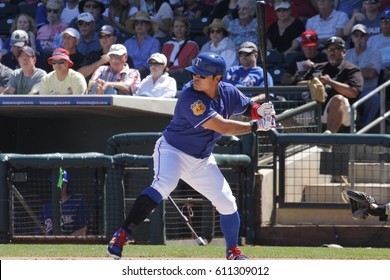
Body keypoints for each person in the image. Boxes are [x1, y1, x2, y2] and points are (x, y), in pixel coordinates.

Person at [106, 52, 276, 260]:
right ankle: (122, 234)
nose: (195, 77)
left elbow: (249, 107)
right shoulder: (190, 96)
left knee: (227, 202)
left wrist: (262, 111)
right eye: (195, 73)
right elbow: (221, 126)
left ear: (217, 78)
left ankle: (232, 250)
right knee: (163, 185)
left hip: (201, 160)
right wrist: (257, 125)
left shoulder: (228, 91)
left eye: (201, 75)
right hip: (173, 151)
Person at [298, 36, 364, 133]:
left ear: (344, 52)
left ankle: (328, 141)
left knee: (338, 99)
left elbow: (353, 92)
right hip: (317, 109)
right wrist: (314, 82)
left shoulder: (352, 69)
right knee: (287, 116)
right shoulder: (318, 67)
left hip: (344, 112)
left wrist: (330, 82)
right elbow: (299, 85)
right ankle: (307, 141)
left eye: (336, 49)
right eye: (329, 49)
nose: (332, 52)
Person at [345, 24, 382, 128]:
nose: (359, 38)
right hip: (349, 89)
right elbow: (340, 73)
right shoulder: (346, 54)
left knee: (375, 98)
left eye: (362, 35)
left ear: (367, 37)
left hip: (366, 90)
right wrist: (363, 71)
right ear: (352, 38)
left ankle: (365, 127)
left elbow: (372, 73)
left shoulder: (375, 53)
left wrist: (350, 72)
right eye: (356, 35)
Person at [38, 169, 89, 236]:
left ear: (67, 185)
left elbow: (82, 232)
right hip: (50, 245)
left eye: (62, 185)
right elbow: (38, 233)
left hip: (72, 244)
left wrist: (63, 242)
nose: (59, 188)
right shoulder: (45, 208)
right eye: (56, 184)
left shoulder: (77, 204)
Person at [124, 11, 161, 79]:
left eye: (142, 23)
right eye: (136, 23)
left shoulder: (155, 42)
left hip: (148, 75)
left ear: (148, 26)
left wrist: (136, 73)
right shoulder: (127, 43)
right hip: (128, 75)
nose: (139, 25)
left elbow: (152, 61)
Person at [367, 6, 390, 83]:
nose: (384, 22)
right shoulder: (372, 40)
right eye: (382, 20)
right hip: (374, 76)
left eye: (388, 20)